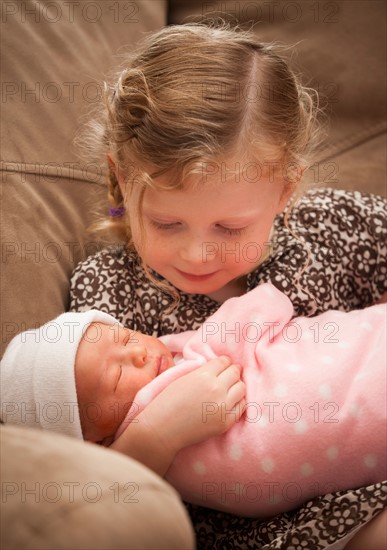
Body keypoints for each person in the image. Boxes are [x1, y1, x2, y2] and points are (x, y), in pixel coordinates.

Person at [69, 21, 387, 550]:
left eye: (230, 228)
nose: (198, 254)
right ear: (122, 180)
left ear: (285, 189)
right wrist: (158, 433)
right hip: (276, 531)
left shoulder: (332, 226)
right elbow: (84, 487)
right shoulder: (107, 298)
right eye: (169, 224)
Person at [1, 284, 386, 521]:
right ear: (94, 441)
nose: (135, 354)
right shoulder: (136, 450)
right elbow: (264, 304)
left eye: (126, 338)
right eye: (115, 377)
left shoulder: (170, 355)